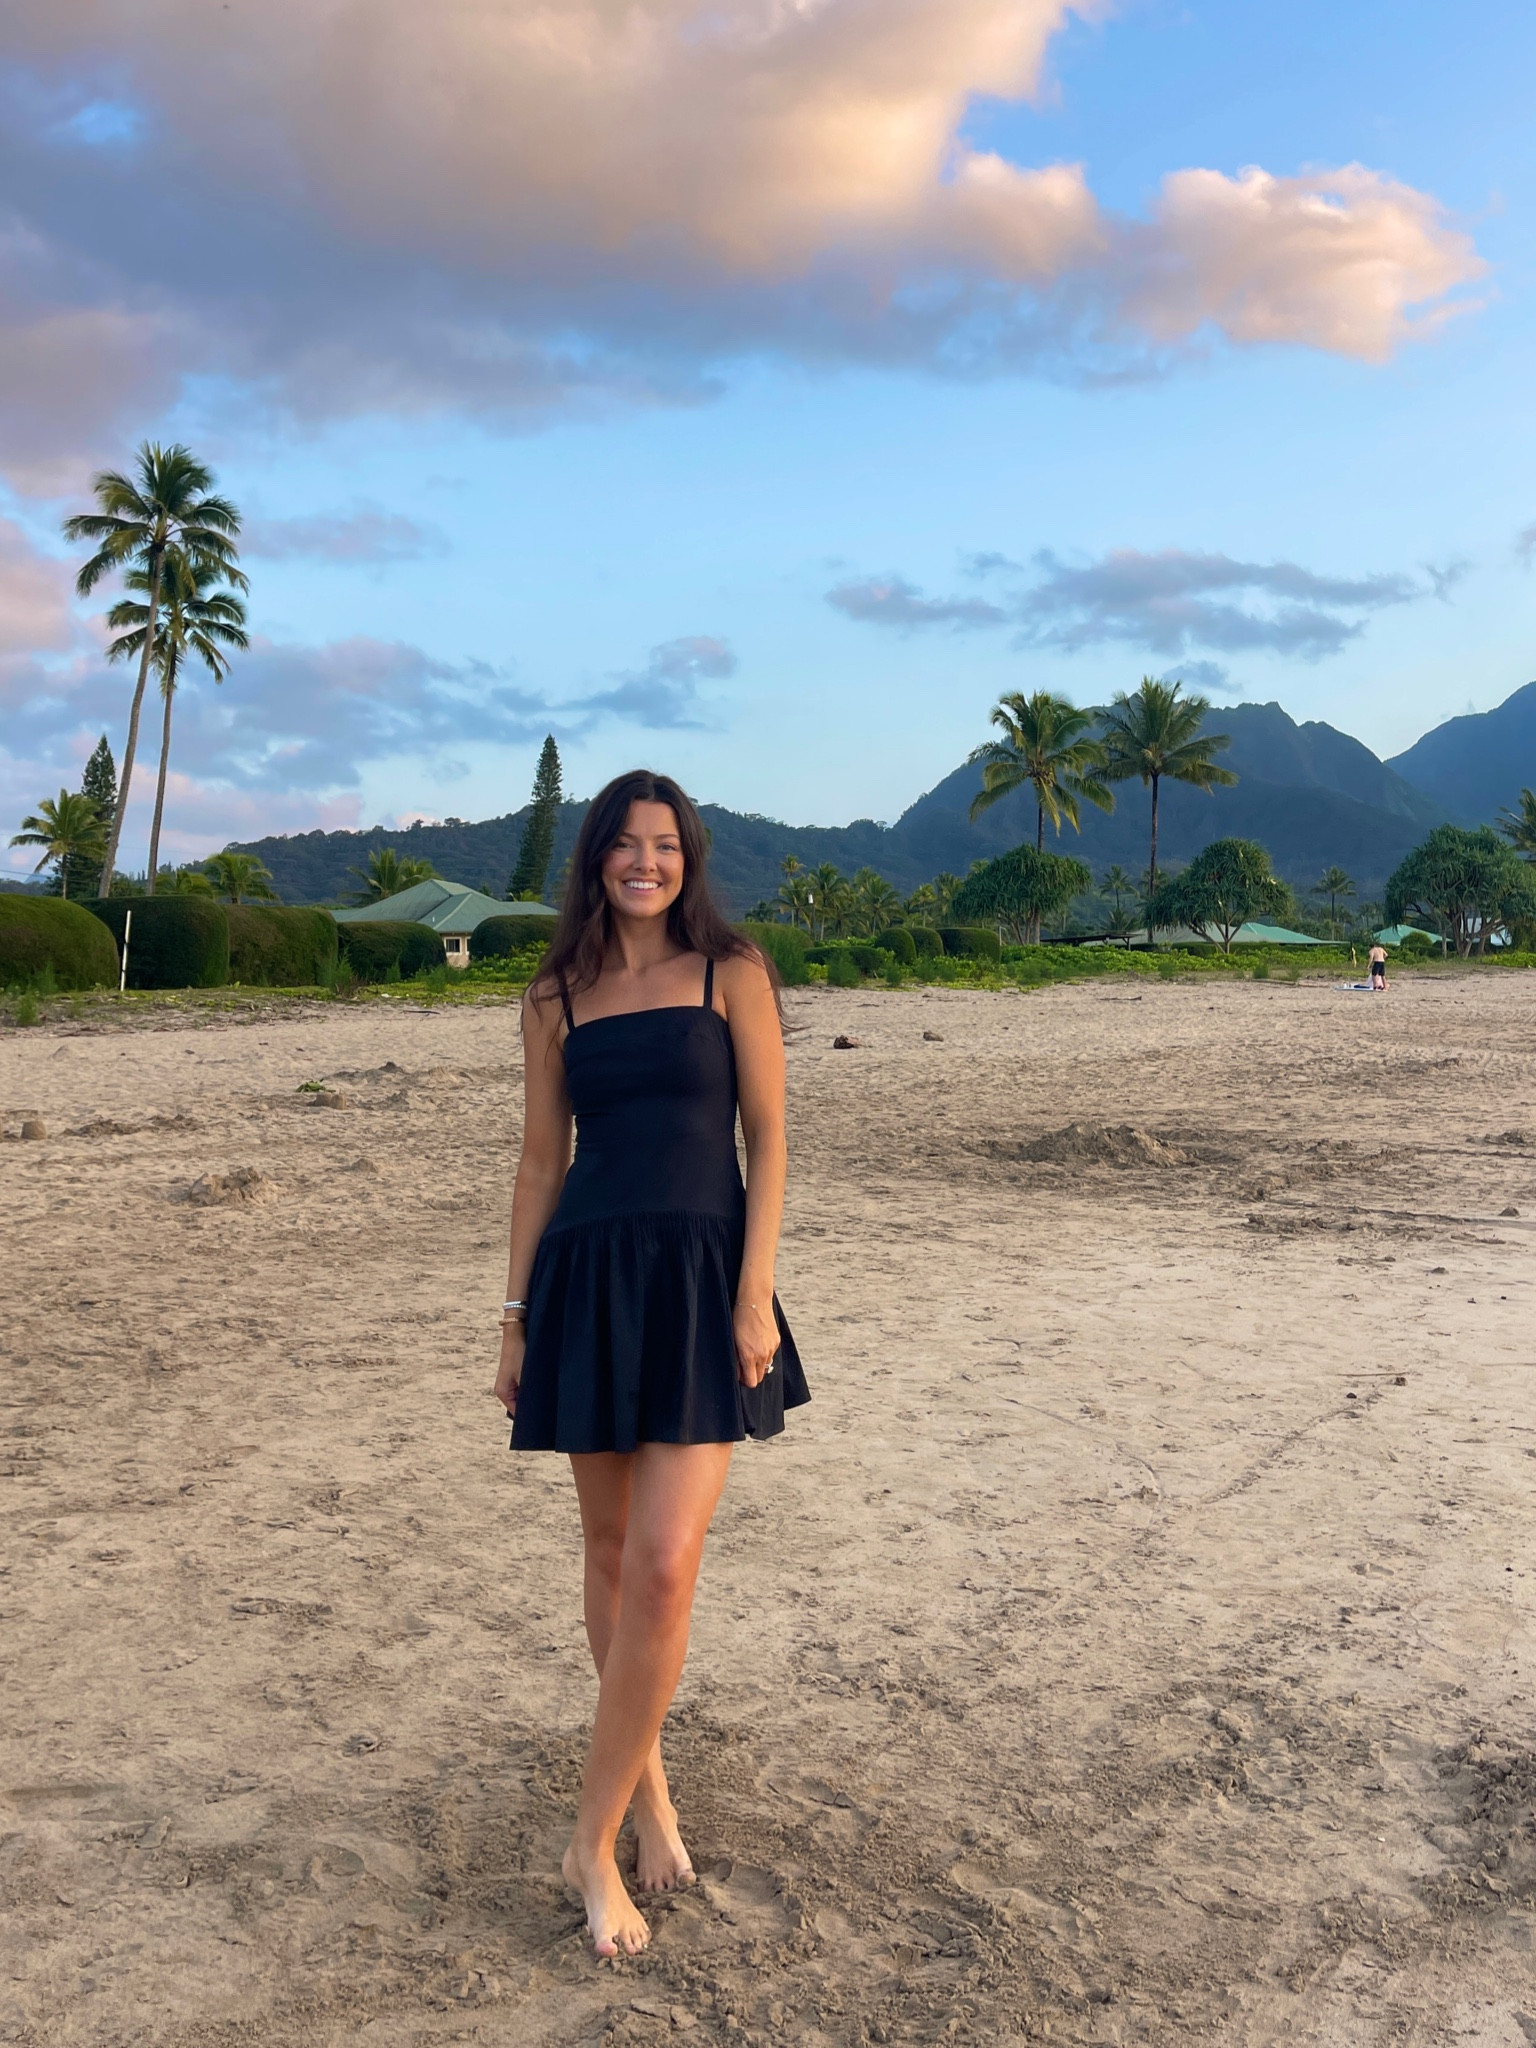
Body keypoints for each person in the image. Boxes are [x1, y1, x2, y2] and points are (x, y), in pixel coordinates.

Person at [492, 769, 809, 1958]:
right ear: (594, 859)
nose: (644, 861)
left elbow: (768, 1137)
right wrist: (514, 1317)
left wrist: (752, 1290)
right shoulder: (553, 996)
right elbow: (537, 1163)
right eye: (623, 844)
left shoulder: (735, 969)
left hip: (698, 1281)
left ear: (689, 857)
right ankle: (653, 1801)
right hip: (585, 1277)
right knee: (615, 1552)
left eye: (664, 844)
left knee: (668, 1561)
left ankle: (589, 1835)